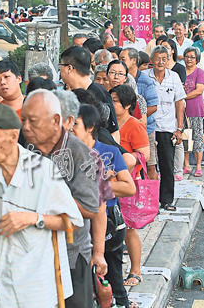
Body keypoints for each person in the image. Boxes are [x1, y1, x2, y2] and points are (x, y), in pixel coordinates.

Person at [0, 103, 83, 308]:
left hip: (34, 286)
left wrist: (33, 218)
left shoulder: (42, 171)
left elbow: (73, 221)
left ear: (13, 137)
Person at [21, 90, 99, 308]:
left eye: (34, 121)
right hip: (32, 252)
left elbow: (91, 207)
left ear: (57, 120)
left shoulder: (79, 151)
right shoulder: (25, 146)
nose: (26, 127)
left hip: (70, 253)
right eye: (24, 120)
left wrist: (47, 198)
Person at [70, 104, 135, 307]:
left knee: (112, 273)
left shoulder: (108, 151)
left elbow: (129, 187)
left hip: (107, 222)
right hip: (79, 226)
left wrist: (101, 186)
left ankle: (122, 303)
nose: (70, 128)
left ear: (90, 127)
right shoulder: (66, 154)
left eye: (75, 124)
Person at [109, 85, 149, 288]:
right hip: (110, 184)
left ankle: (136, 270)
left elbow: (145, 154)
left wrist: (124, 160)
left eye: (115, 100)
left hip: (128, 182)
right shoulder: (109, 125)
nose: (111, 103)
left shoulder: (135, 125)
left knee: (129, 228)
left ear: (127, 105)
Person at [144, 45, 186, 210]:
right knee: (149, 165)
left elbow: (180, 104)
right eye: (157, 58)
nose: (160, 62)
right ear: (151, 60)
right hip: (149, 127)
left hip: (168, 127)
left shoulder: (174, 77)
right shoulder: (145, 77)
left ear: (168, 60)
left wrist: (179, 128)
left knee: (167, 164)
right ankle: (150, 199)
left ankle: (167, 200)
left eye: (164, 58)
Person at [59, 46, 120, 142]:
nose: (60, 70)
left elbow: (113, 132)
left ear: (69, 68)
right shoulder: (70, 93)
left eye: (61, 66)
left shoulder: (99, 93)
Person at [120, 47, 159, 180]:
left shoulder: (146, 81)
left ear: (134, 61)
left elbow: (153, 107)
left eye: (123, 59)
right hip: (125, 131)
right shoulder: (119, 81)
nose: (120, 62)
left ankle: (152, 197)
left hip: (145, 129)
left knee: (150, 164)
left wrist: (132, 120)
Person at [183, 47, 204, 177]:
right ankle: (186, 165)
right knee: (185, 138)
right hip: (182, 110)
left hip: (195, 109)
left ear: (197, 59)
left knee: (197, 138)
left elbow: (199, 90)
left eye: (192, 57)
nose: (189, 59)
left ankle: (198, 166)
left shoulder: (200, 72)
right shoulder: (180, 71)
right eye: (187, 56)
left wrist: (182, 97)